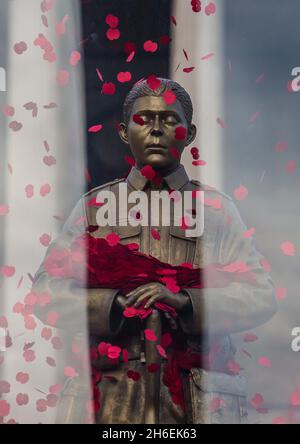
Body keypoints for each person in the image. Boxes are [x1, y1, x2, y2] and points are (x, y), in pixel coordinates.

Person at [32, 78, 277, 424]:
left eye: (171, 120)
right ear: (122, 132)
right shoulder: (95, 208)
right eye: (144, 119)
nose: (157, 130)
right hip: (113, 399)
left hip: (197, 401)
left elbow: (261, 295)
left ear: (189, 134)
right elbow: (45, 294)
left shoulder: (216, 212)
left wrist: (186, 301)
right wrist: (114, 304)